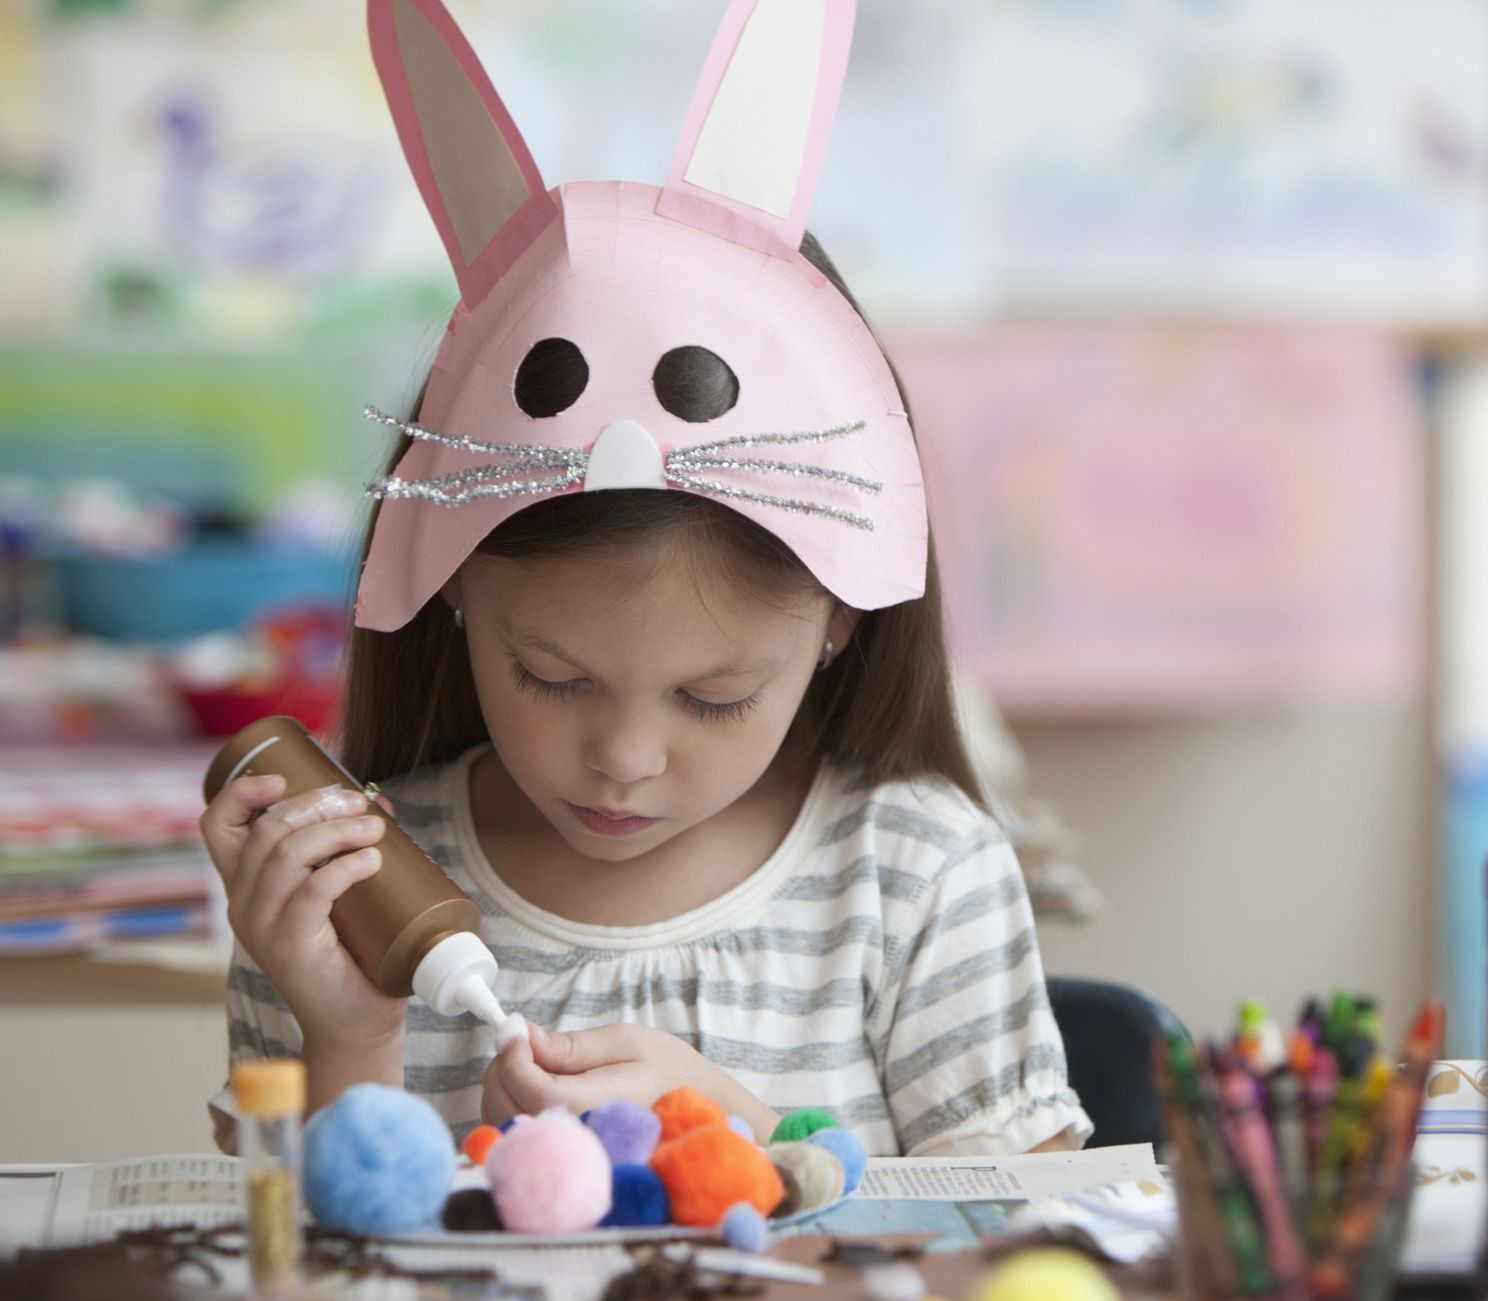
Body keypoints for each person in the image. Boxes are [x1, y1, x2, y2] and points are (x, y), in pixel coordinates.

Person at [202, 0, 1089, 1159]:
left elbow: (1019, 1244)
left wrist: (751, 1135)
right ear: (453, 582)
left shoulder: (914, 875)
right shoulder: (353, 887)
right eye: (551, 675)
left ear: (836, 621)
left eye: (712, 696)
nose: (623, 757)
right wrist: (348, 1034)